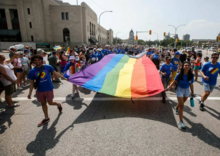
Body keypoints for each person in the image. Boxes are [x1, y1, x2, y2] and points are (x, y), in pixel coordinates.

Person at [27, 54, 68, 127]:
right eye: (35, 60)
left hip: (49, 88)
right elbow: (31, 83)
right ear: (33, 62)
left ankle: (58, 104)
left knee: (50, 103)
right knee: (43, 104)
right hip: (40, 90)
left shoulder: (48, 67)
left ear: (41, 60)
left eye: (39, 60)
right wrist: (29, 93)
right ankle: (46, 118)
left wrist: (64, 78)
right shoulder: (32, 71)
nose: (37, 61)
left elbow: (56, 73)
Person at [167, 61, 194, 129]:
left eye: (188, 65)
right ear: (183, 66)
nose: (187, 66)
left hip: (187, 90)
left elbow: (191, 84)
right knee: (182, 106)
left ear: (190, 66)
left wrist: (192, 93)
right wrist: (169, 87)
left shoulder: (191, 75)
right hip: (180, 90)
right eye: (185, 65)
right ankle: (181, 121)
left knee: (181, 103)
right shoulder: (179, 74)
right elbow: (174, 81)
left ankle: (176, 107)